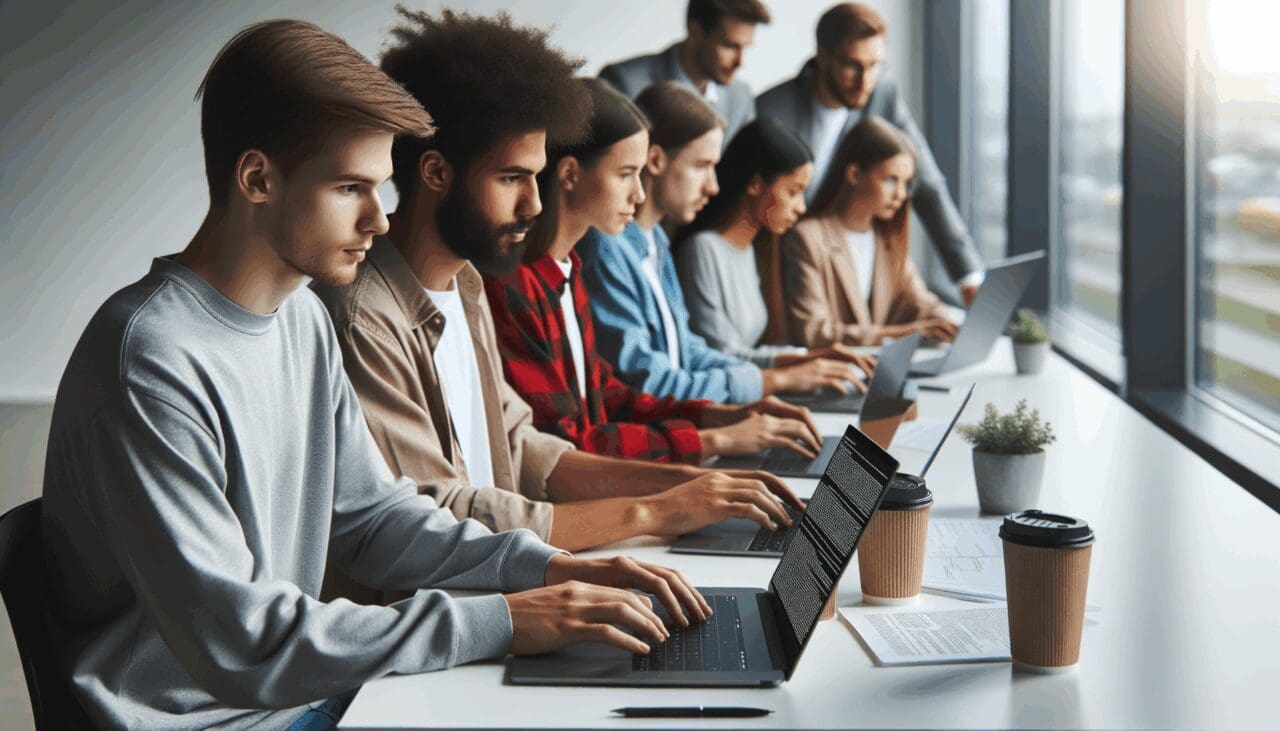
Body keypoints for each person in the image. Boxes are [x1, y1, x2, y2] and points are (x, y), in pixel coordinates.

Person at [40, 19, 709, 730]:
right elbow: (243, 639)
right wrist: (505, 620)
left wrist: (545, 570)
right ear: (258, 178)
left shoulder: (299, 320)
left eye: (380, 187)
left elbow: (373, 518)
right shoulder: (151, 356)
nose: (380, 221)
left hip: (300, 699)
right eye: (351, 188)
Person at [315, 14, 800, 562]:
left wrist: (686, 483)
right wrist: (654, 509)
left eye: (535, 176)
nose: (535, 204)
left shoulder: (467, 283)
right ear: (434, 172)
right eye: (511, 178)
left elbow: (525, 448)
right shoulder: (365, 317)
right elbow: (440, 516)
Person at [483, 79, 825, 476]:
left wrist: (721, 417)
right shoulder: (519, 286)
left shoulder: (570, 270)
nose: (639, 194)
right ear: (571, 174)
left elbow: (610, 395)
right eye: (627, 174)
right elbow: (567, 445)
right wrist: (713, 439)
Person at [578, 82, 872, 404]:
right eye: (702, 166)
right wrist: (773, 380)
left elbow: (689, 350)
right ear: (657, 161)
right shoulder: (606, 249)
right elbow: (649, 381)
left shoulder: (657, 239)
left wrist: (789, 366)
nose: (713, 186)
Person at [756, 2, 986, 303]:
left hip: (846, 269)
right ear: (822, 56)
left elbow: (926, 183)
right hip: (782, 274)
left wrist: (968, 276)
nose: (865, 81)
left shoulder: (882, 93)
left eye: (875, 65)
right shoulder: (771, 111)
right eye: (853, 65)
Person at [674, 116, 878, 374]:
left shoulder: (751, 250)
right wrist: (805, 361)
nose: (801, 208)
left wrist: (811, 358)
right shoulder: (701, 251)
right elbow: (721, 354)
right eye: (793, 192)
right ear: (756, 185)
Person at [783, 116, 959, 346]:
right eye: (889, 180)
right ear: (854, 174)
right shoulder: (807, 238)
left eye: (906, 183)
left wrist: (950, 325)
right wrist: (901, 334)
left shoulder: (886, 241)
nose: (901, 194)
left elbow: (923, 305)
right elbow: (813, 331)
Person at [599, 0, 769, 142]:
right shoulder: (623, 83)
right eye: (729, 46)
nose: (740, 62)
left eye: (745, 48)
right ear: (695, 32)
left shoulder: (741, 99)